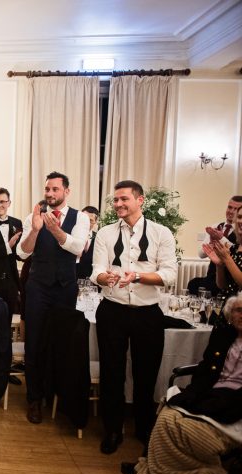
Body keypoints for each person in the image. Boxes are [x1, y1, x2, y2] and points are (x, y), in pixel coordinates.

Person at [125, 292, 242, 474]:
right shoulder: (223, 335)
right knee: (168, 413)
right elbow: (206, 369)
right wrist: (194, 395)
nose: (241, 316)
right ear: (230, 314)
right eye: (238, 310)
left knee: (178, 427)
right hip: (209, 395)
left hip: (234, 409)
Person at [91, 180, 178, 455]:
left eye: (124, 199)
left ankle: (144, 428)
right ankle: (112, 430)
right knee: (112, 373)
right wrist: (105, 277)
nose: (118, 204)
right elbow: (96, 271)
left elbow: (169, 275)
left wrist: (138, 276)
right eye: (115, 200)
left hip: (148, 314)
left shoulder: (161, 233)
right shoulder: (104, 233)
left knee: (146, 373)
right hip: (112, 310)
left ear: (140, 201)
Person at [16, 172, 90, 424]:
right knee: (34, 343)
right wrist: (36, 230)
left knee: (61, 343)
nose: (49, 194)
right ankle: (34, 399)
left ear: (66, 192)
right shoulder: (32, 216)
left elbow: (78, 248)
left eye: (55, 189)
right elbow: (23, 253)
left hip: (65, 288)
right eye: (47, 189)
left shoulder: (80, 217)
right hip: (37, 287)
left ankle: (58, 396)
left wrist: (56, 231)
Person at [191, 196, 242, 295]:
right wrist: (211, 244)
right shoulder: (216, 226)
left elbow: (233, 250)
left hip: (231, 276)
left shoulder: (238, 231)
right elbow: (201, 254)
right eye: (229, 207)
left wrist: (220, 238)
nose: (231, 211)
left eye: (235, 209)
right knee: (193, 284)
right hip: (214, 274)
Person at [204, 206, 242, 309]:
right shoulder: (234, 248)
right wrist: (219, 266)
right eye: (239, 217)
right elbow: (222, 286)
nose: (241, 221)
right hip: (227, 309)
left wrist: (227, 259)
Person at [76, 205, 99, 280]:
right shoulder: (70, 235)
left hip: (91, 282)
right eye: (84, 219)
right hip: (70, 280)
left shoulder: (99, 238)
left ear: (95, 221)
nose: (86, 223)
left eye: (90, 220)